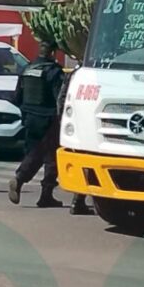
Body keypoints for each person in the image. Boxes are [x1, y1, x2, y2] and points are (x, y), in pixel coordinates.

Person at [8, 41, 65, 207]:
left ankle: (42, 194)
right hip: (48, 119)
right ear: (53, 53)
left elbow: (17, 96)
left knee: (35, 153)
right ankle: (22, 181)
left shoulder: (27, 69)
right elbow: (59, 99)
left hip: (29, 118)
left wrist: (25, 112)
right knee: (51, 157)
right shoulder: (54, 72)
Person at [58, 62, 93, 215]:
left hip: (79, 124)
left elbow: (62, 97)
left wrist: (62, 118)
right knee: (87, 163)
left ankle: (78, 201)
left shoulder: (77, 73)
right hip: (85, 124)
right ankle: (78, 201)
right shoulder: (87, 74)